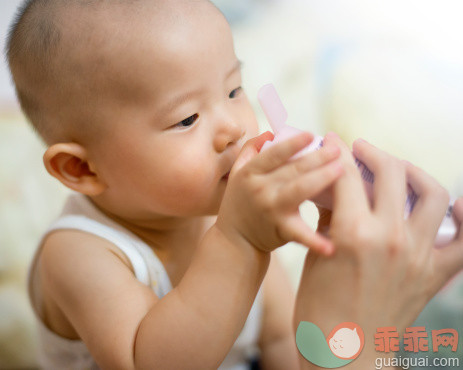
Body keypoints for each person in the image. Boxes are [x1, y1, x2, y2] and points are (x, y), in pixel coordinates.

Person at [5, 1, 463, 369]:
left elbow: (282, 335)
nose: (232, 128)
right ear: (81, 170)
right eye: (186, 118)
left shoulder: (218, 211)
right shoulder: (79, 253)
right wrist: (240, 240)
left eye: (233, 90)